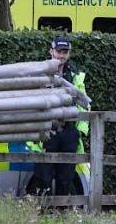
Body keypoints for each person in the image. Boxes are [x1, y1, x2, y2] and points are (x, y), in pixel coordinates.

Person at [35, 35, 88, 196]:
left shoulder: (76, 75)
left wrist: (80, 131)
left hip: (68, 130)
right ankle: (43, 213)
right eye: (59, 51)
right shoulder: (40, 72)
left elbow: (84, 104)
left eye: (65, 52)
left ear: (69, 54)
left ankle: (61, 214)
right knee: (43, 175)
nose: (61, 55)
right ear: (51, 51)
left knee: (66, 176)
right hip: (47, 130)